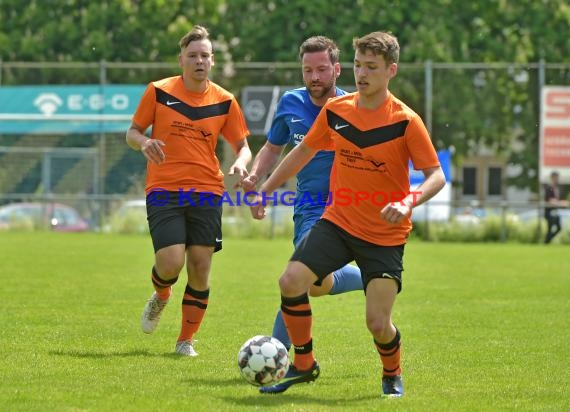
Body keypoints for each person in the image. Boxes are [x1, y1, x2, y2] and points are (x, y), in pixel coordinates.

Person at [250, 31, 446, 397]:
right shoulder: (337, 110)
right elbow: (302, 152)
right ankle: (304, 365)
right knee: (291, 281)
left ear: (391, 70)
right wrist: (266, 188)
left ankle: (392, 372)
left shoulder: (406, 120)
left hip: (385, 235)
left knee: (377, 323)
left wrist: (408, 201)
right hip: (338, 222)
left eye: (371, 66)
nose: (362, 73)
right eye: (358, 65)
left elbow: (437, 175)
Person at [126, 25, 251, 356]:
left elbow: (244, 146)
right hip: (164, 188)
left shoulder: (225, 101)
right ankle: (162, 295)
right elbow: (132, 132)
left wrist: (240, 163)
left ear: (212, 61)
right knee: (169, 263)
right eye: (193, 55)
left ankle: (185, 341)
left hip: (207, 191)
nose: (199, 61)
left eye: (205, 56)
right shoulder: (159, 91)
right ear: (182, 59)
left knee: (199, 265)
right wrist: (145, 142)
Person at [241, 36, 363, 351]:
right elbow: (272, 147)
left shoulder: (355, 108)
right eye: (308, 70)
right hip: (310, 208)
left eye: (322, 69)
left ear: (337, 69)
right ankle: (368, 278)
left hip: (349, 207)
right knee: (317, 283)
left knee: (298, 277)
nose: (314, 77)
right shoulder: (290, 103)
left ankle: (277, 353)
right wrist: (257, 176)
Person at [544, 171, 568, 244]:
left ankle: (547, 241)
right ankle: (546, 242)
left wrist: (563, 202)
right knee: (550, 228)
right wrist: (559, 203)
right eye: (555, 177)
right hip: (549, 211)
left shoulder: (557, 188)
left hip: (555, 211)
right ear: (552, 178)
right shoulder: (548, 188)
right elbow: (550, 200)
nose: (557, 179)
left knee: (558, 228)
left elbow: (558, 199)